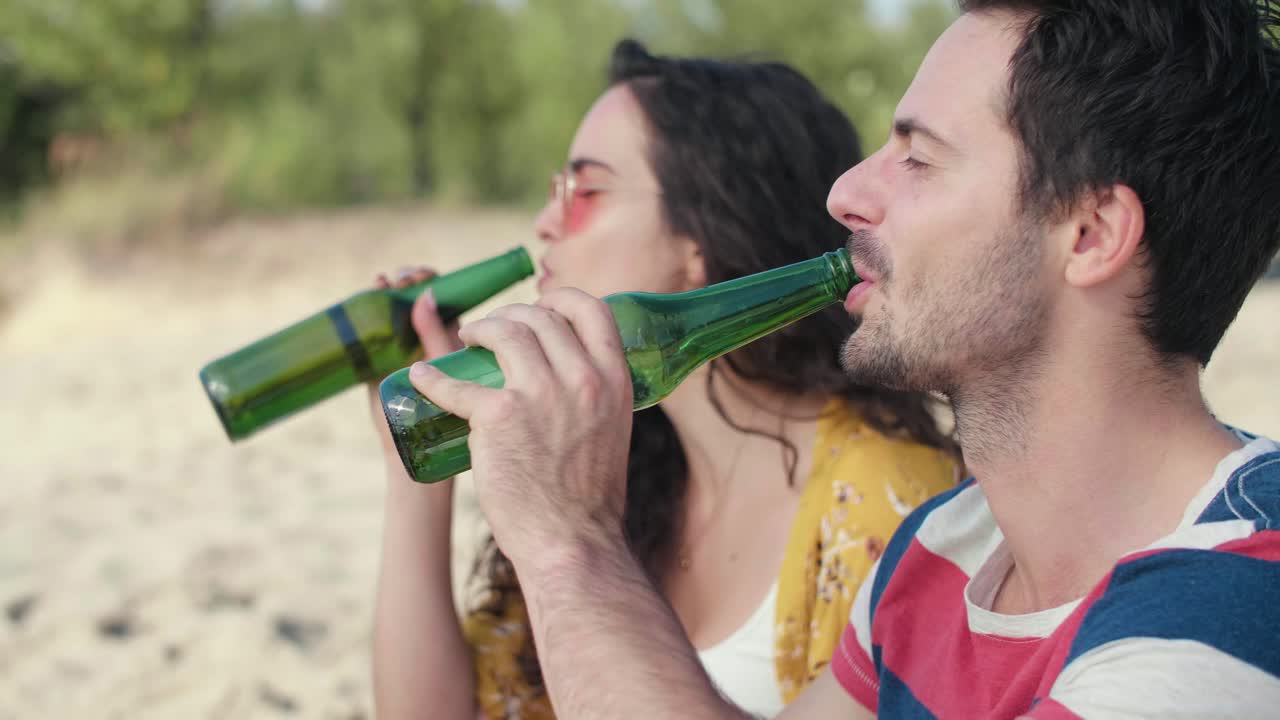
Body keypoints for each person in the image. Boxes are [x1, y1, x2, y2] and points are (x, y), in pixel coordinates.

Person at [406, 1, 1280, 718]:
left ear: (1089, 234)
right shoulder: (950, 544)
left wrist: (571, 548)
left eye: (919, 158)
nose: (847, 193)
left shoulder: (1222, 615)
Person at [370, 40, 961, 719]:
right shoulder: (616, 467)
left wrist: (573, 543)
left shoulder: (886, 507)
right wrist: (409, 473)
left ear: (700, 244)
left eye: (584, 190)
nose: (545, 224)